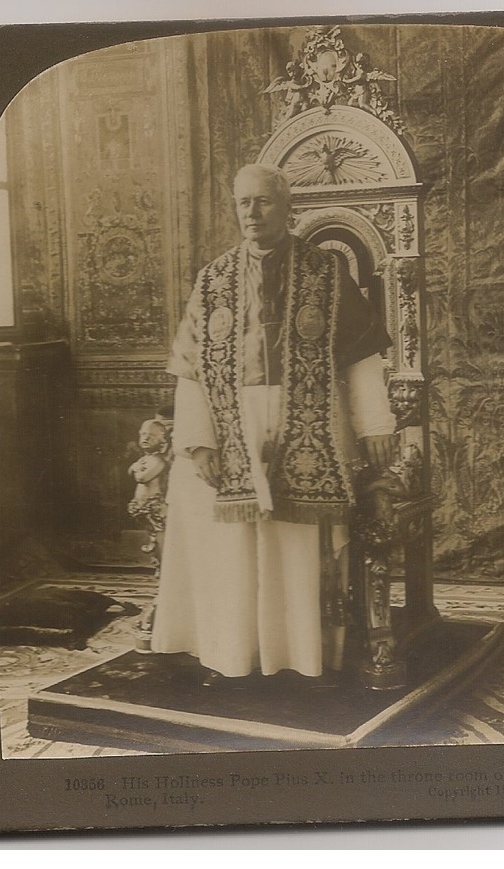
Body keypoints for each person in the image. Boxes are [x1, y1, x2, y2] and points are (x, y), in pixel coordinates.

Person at [150, 163, 397, 682]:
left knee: (291, 540)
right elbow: (192, 373)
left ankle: (295, 653)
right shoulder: (213, 279)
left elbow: (361, 357)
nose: (252, 213)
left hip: (305, 418)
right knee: (218, 526)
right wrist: (197, 443)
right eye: (243, 203)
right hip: (227, 421)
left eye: (263, 202)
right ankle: (230, 648)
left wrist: (375, 425)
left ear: (288, 208)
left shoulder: (326, 272)